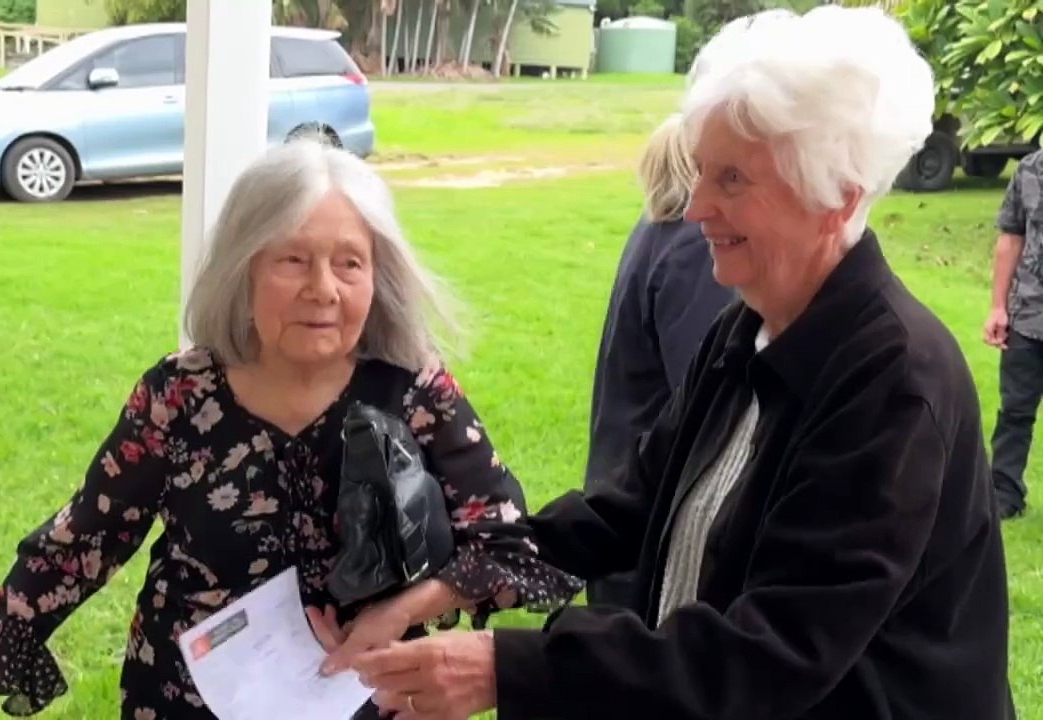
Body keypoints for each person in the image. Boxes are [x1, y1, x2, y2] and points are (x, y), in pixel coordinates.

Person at [336, 8, 1013, 719]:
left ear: (835, 198)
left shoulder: (894, 383)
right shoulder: (746, 330)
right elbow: (631, 505)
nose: (694, 209)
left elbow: (774, 653)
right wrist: (460, 579)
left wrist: (506, 670)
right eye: (701, 174)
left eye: (731, 181)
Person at [0, 140, 582, 720]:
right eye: (293, 260)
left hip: (366, 701)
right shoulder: (181, 394)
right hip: (184, 699)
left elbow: (508, 544)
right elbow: (84, 541)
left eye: (350, 262)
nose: (324, 288)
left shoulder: (414, 391)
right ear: (245, 266)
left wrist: (402, 611)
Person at [584, 113, 735, 608]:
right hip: (646, 512)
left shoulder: (656, 232)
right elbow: (706, 399)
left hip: (622, 488)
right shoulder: (695, 251)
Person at [983, 148, 1043, 519]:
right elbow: (1010, 239)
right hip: (1028, 314)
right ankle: (1003, 493)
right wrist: (998, 306)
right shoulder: (1030, 170)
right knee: (1015, 412)